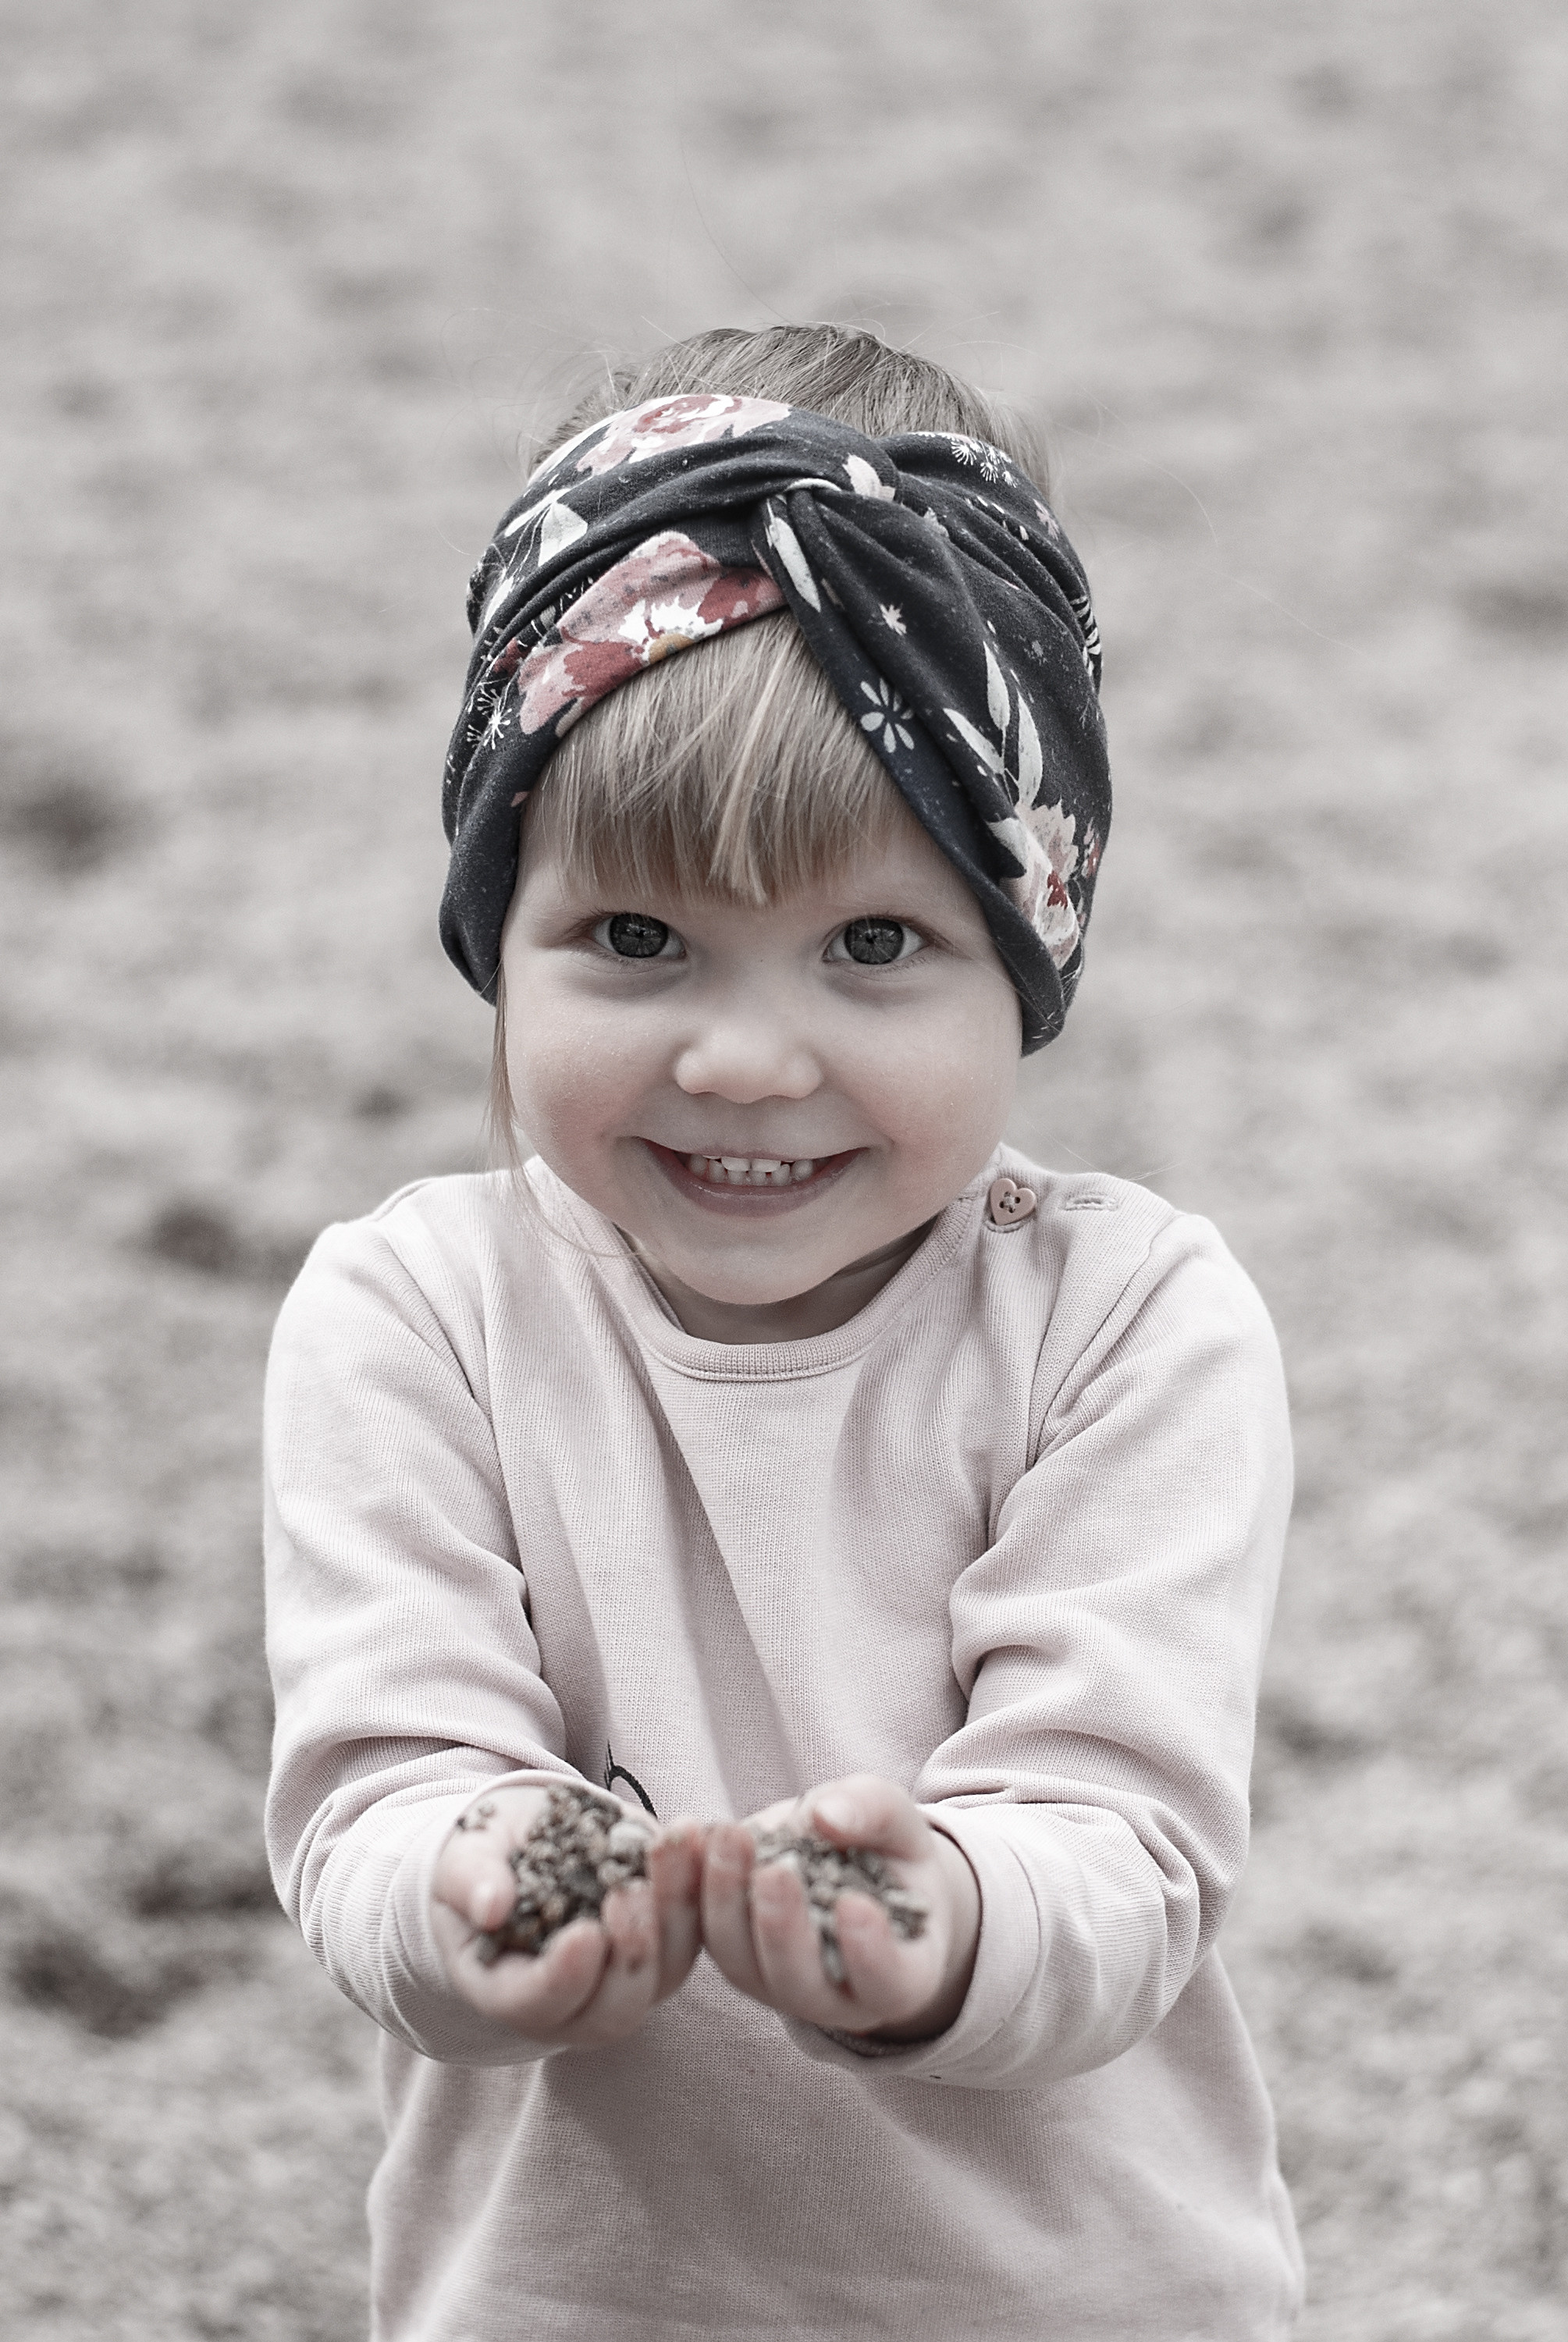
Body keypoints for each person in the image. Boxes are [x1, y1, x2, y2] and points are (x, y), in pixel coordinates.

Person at [264, 322, 1303, 2340]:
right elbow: (369, 1801)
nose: (746, 1059)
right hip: (566, 2297)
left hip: (1079, 2299)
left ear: (1028, 954)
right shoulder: (414, 1311)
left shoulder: (1121, 1317)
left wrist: (944, 1920)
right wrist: (480, 1875)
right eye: (634, 940)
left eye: (875, 945)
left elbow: (1127, 1839)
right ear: (500, 932)